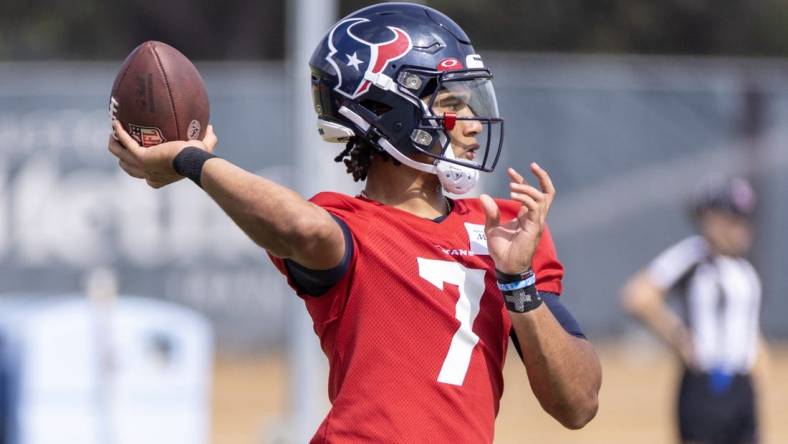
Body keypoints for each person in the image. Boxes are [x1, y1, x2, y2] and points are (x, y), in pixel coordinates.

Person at [108, 3, 601, 442]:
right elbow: (301, 228)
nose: (473, 123)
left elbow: (577, 405)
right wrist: (190, 160)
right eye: (451, 104)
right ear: (387, 110)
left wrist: (519, 284)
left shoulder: (506, 229)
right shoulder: (348, 227)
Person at [621, 176, 768, 444]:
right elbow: (638, 295)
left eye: (745, 220)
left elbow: (747, 327)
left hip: (742, 386)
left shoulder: (745, 271)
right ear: (712, 219)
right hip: (705, 385)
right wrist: (678, 335)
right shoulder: (694, 257)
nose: (742, 229)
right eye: (734, 220)